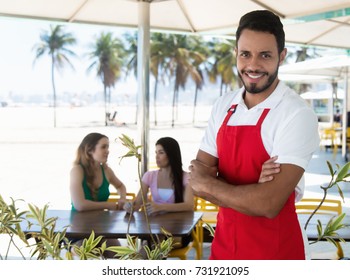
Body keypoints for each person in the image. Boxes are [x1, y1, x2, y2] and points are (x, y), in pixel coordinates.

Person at [189, 10, 320, 260]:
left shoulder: (295, 114)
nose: (253, 65)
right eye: (245, 54)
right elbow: (196, 182)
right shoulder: (223, 106)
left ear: (281, 56)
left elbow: (269, 205)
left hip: (277, 253)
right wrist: (250, 193)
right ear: (236, 54)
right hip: (225, 250)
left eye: (265, 55)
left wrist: (213, 185)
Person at [125, 137, 193, 248]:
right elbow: (137, 204)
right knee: (151, 245)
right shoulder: (150, 176)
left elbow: (189, 205)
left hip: (178, 230)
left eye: (161, 152)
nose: (156, 156)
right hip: (155, 228)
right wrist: (129, 206)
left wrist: (160, 207)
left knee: (152, 246)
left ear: (171, 154)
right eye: (156, 152)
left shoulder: (186, 177)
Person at [70, 132, 127, 211]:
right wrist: (107, 205)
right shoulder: (77, 171)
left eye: (107, 147)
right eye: (103, 147)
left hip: (101, 222)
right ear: (89, 150)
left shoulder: (107, 171)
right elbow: (80, 205)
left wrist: (122, 198)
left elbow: (120, 186)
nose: (107, 151)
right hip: (80, 222)